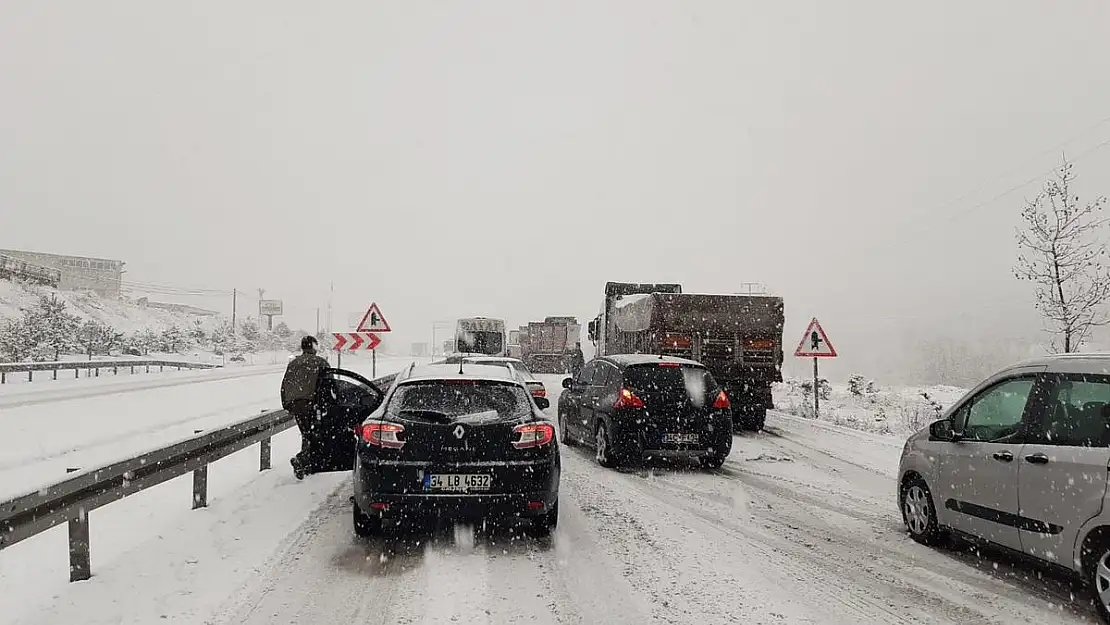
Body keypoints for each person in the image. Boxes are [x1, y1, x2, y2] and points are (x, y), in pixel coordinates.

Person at [281, 336, 331, 480]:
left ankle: (307, 465)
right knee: (316, 434)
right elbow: (329, 385)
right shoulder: (321, 362)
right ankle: (302, 460)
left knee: (307, 433)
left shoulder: (293, 364)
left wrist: (288, 405)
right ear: (314, 347)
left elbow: (285, 385)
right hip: (314, 404)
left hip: (297, 405)